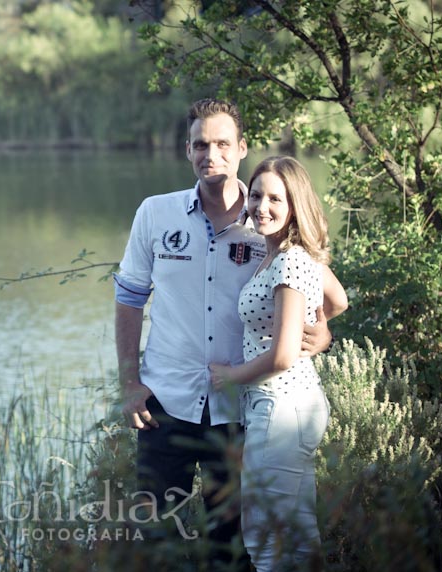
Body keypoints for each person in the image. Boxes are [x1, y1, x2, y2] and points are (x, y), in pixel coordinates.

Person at [114, 99, 347, 567]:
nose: (211, 154)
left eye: (222, 143)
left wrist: (320, 333)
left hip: (239, 411)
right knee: (156, 539)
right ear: (187, 151)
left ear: (241, 148)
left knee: (235, 544)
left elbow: (318, 286)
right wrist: (130, 384)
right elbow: (129, 299)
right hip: (166, 404)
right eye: (201, 144)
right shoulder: (155, 215)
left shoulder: (268, 219)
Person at [208, 156, 342, 571]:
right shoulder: (285, 253)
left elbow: (283, 356)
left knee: (265, 541)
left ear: (294, 205)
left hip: (280, 408)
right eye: (257, 195)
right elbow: (338, 300)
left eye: (275, 199)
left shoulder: (288, 260)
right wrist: (317, 330)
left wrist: (230, 377)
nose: (262, 206)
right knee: (299, 537)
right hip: (294, 404)